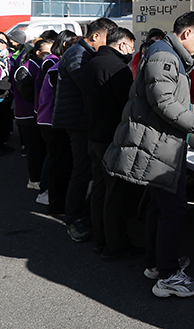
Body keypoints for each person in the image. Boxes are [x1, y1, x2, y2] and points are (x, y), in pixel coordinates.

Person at [103, 12, 194, 298]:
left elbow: (163, 97)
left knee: (158, 205)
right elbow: (163, 102)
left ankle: (156, 264)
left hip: (159, 144)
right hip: (158, 146)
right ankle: (168, 276)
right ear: (188, 33)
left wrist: (192, 108)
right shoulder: (165, 56)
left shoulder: (163, 53)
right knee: (173, 207)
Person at [53, 17, 117, 243]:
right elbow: (91, 87)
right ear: (97, 36)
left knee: (86, 169)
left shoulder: (83, 53)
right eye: (109, 40)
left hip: (81, 119)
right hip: (77, 121)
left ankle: (83, 213)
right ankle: (74, 219)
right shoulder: (78, 55)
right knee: (80, 170)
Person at [82, 27, 143, 261]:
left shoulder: (92, 63)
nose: (132, 51)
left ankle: (100, 239)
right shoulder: (118, 69)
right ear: (122, 45)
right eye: (132, 46)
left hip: (94, 135)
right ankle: (115, 245)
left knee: (99, 190)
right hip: (112, 138)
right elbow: (128, 105)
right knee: (115, 194)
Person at [37, 33, 79, 216]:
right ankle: (52, 200)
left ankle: (52, 197)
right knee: (57, 162)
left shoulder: (58, 66)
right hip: (51, 121)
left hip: (51, 119)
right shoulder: (57, 68)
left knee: (56, 160)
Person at [14, 39, 53, 191]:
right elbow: (27, 93)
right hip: (27, 116)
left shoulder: (41, 66)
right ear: (38, 53)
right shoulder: (25, 69)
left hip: (37, 114)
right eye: (47, 53)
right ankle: (34, 179)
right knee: (34, 150)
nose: (51, 55)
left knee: (40, 149)